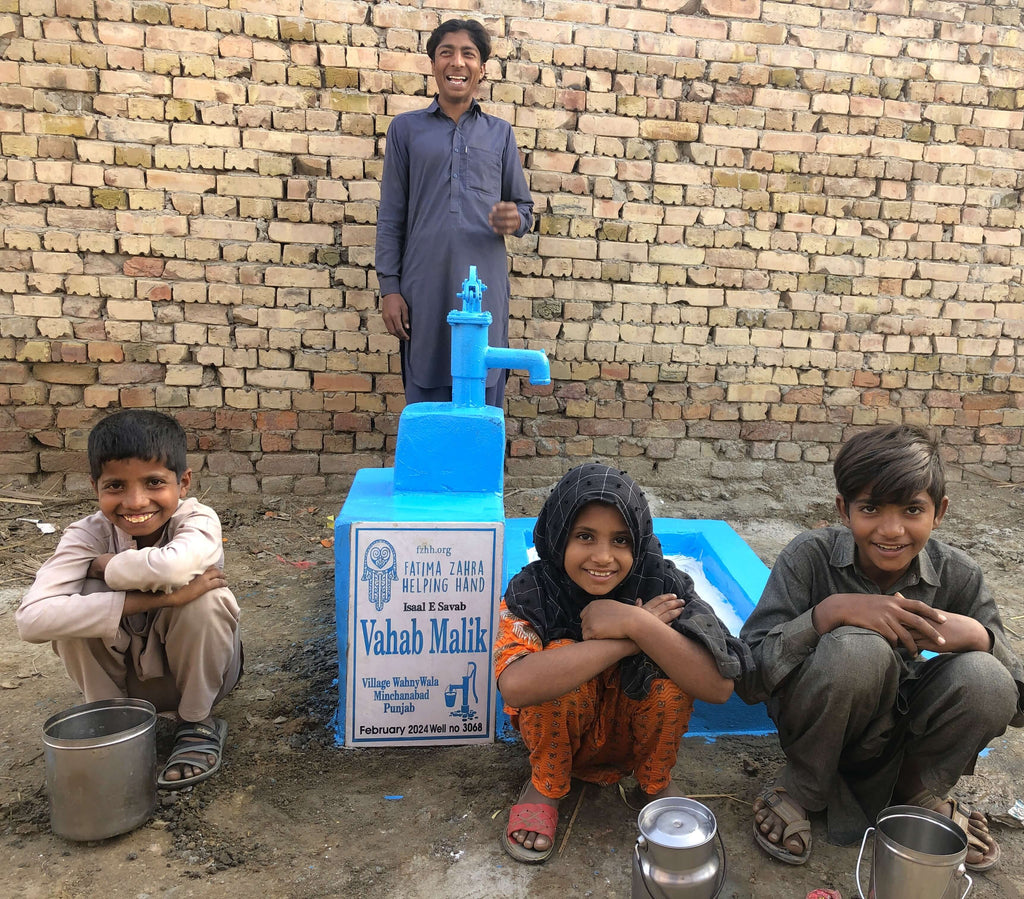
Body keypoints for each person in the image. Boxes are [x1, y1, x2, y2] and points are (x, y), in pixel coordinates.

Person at [737, 424, 1023, 869]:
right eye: (870, 508)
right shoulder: (808, 558)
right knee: (856, 650)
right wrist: (825, 615)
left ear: (939, 511)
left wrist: (983, 640)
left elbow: (1016, 703)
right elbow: (749, 677)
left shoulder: (959, 574)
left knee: (986, 677)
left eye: (912, 509)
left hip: (907, 734)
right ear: (844, 509)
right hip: (821, 722)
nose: (892, 531)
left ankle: (916, 791)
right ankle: (803, 788)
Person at [494, 463, 752, 863]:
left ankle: (652, 783)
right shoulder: (534, 591)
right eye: (584, 537)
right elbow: (516, 685)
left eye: (621, 540)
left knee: (671, 674)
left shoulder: (664, 585)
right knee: (558, 662)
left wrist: (636, 622)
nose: (603, 557)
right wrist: (626, 644)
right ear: (559, 535)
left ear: (640, 541)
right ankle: (545, 784)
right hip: (563, 735)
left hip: (633, 738)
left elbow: (718, 687)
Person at [17, 409, 243, 790]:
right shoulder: (85, 534)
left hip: (196, 678)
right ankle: (114, 724)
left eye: (154, 482)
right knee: (73, 610)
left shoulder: (198, 521)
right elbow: (32, 620)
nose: (136, 502)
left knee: (205, 600)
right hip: (125, 688)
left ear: (184, 482)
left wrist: (104, 567)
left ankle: (196, 724)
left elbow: (171, 570)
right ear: (96, 488)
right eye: (116, 486)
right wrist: (158, 601)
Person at [375, 18, 534, 408]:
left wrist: (515, 219)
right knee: (426, 394)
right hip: (423, 288)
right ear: (433, 64)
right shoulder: (406, 130)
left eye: (469, 54)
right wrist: (390, 288)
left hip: (484, 290)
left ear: (481, 68)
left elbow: (525, 209)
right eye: (446, 52)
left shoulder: (500, 134)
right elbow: (391, 215)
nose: (457, 62)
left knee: (482, 384)